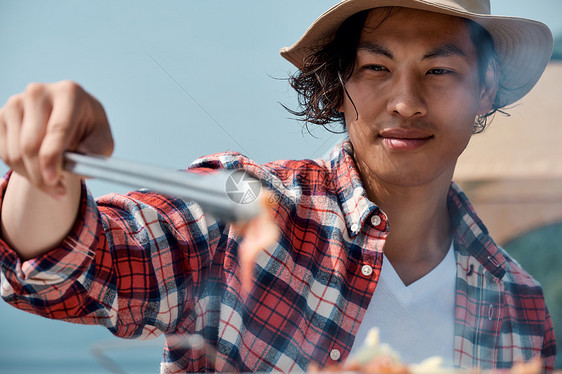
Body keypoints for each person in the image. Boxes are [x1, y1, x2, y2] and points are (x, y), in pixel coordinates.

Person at [0, 0, 556, 372]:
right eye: (375, 68)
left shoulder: (521, 308)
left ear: (485, 90)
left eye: (439, 72)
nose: (405, 102)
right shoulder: (244, 213)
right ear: (338, 87)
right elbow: (64, 270)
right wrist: (43, 172)